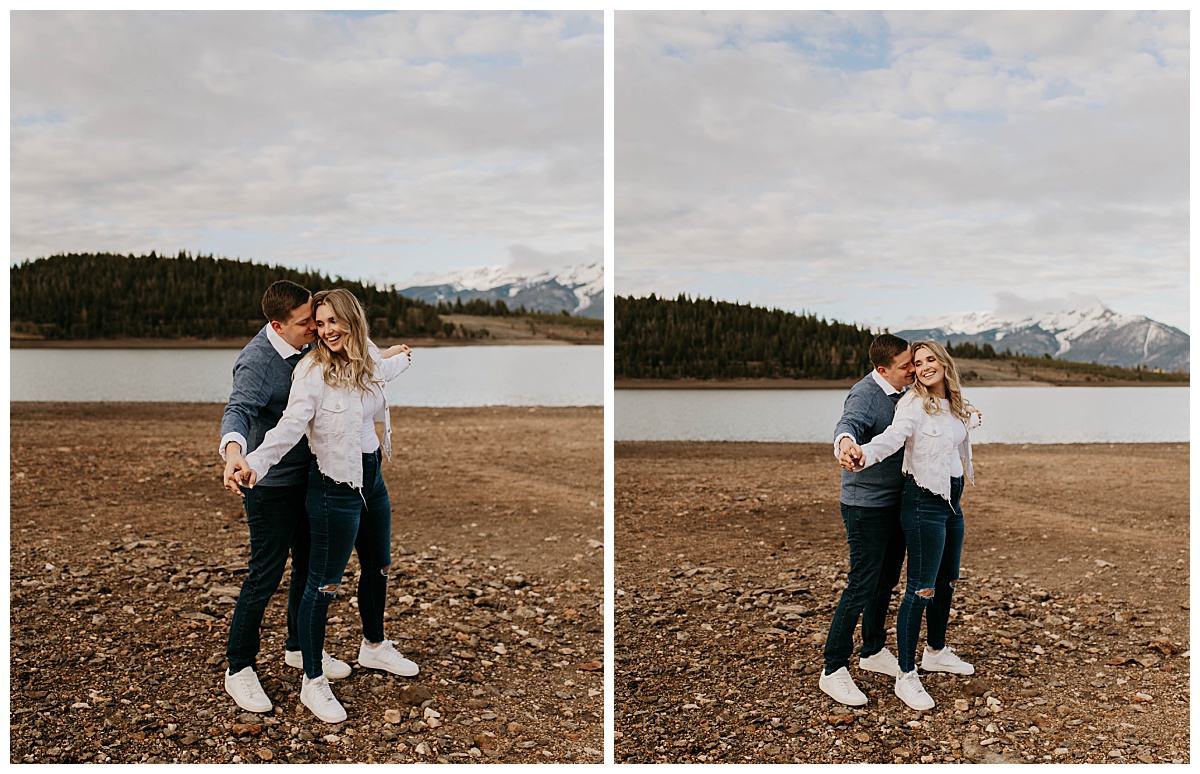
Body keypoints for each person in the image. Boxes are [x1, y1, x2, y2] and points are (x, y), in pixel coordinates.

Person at [233, 288, 417, 724]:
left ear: (353, 321)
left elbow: (384, 371)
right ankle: (312, 682)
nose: (326, 329)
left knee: (379, 566)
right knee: (323, 584)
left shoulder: (366, 357)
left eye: (335, 321)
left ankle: (373, 647)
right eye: (320, 322)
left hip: (371, 478)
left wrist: (404, 356)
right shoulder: (312, 371)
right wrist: (252, 462)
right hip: (334, 484)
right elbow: (288, 426)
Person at [219, 280, 352, 714]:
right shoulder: (256, 362)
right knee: (266, 573)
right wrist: (234, 454)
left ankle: (297, 646)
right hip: (269, 485)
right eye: (305, 323)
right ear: (277, 324)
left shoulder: (308, 348)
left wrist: (386, 357)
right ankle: (239, 668)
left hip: (309, 477)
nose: (315, 327)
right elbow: (238, 409)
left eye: (315, 317)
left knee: (309, 566)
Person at [841, 340, 982, 711]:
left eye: (929, 359)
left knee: (947, 580)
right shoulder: (913, 403)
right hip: (922, 503)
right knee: (919, 589)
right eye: (917, 363)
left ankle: (935, 650)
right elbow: (892, 438)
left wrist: (972, 415)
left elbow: (958, 430)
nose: (923, 367)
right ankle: (906, 675)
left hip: (952, 503)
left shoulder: (953, 404)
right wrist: (862, 453)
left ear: (944, 362)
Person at [818, 333, 914, 707]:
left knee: (886, 581)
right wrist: (845, 445)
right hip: (865, 506)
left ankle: (873, 649)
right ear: (882, 369)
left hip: (896, 502)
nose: (913, 370)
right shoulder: (865, 393)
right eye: (906, 366)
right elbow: (848, 425)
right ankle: (833, 667)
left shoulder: (905, 391)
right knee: (862, 583)